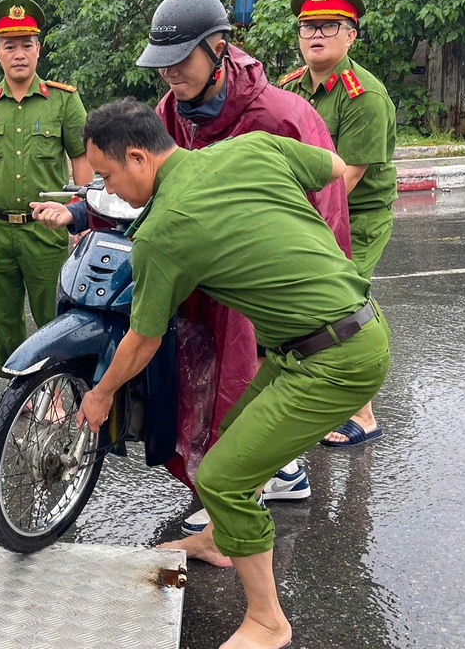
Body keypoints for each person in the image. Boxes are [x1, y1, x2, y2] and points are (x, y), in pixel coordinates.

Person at [32, 0, 351, 529]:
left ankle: (233, 507)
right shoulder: (168, 113)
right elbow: (141, 185)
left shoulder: (278, 116)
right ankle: (277, 475)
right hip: (198, 276)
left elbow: (327, 211)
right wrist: (83, 212)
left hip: (258, 284)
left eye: (181, 59)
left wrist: (313, 287)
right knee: (196, 383)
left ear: (218, 47)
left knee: (239, 377)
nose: (170, 73)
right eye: (162, 63)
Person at [75, 99, 390, 649]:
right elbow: (337, 169)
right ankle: (219, 538)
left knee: (223, 479)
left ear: (138, 157)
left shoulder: (162, 232)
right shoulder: (250, 149)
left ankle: (268, 621)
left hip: (334, 363)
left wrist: (101, 395)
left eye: (107, 176)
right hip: (344, 330)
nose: (109, 191)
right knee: (229, 436)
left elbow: (143, 340)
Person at [279, 0, 397, 446]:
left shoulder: (363, 95)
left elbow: (348, 176)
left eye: (330, 26)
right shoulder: (291, 88)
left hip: (357, 217)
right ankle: (317, 399)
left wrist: (294, 221)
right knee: (308, 308)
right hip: (306, 211)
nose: (317, 35)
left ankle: (364, 416)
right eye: (309, 27)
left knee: (346, 307)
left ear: (350, 36)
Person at [0, 0, 93, 376]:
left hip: (45, 226)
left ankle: (56, 384)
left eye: (26, 45)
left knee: (53, 313)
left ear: (38, 49)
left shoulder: (63, 101)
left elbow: (82, 158)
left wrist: (83, 214)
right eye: (10, 46)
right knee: (4, 316)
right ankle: (17, 387)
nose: (19, 54)